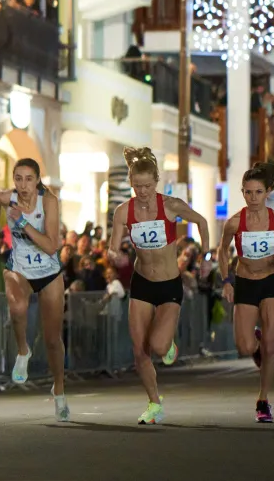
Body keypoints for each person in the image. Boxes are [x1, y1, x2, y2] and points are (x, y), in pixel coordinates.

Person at [108, 146, 210, 425]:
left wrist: (206, 256)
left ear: (156, 183)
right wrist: (114, 256)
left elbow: (200, 221)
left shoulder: (170, 205)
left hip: (168, 284)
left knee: (157, 345)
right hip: (141, 282)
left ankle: (168, 346)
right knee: (139, 349)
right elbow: (113, 249)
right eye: (137, 186)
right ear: (131, 184)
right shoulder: (123, 211)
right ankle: (154, 403)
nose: (142, 191)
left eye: (147, 186)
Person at [0, 158, 69, 421]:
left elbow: (51, 246)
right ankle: (23, 350)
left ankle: (59, 390)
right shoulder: (5, 197)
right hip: (20, 267)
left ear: (37, 180)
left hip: (48, 271)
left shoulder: (49, 201)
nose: (23, 185)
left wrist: (22, 223)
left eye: (29, 179)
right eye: (18, 179)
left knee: (53, 339)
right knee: (18, 306)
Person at [217, 162, 274, 423]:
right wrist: (226, 280)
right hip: (245, 281)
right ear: (242, 193)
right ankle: (255, 339)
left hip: (271, 281)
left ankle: (263, 400)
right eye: (248, 192)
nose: (253, 198)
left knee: (271, 348)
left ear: (266, 193)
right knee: (245, 345)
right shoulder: (235, 222)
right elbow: (222, 251)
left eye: (258, 192)